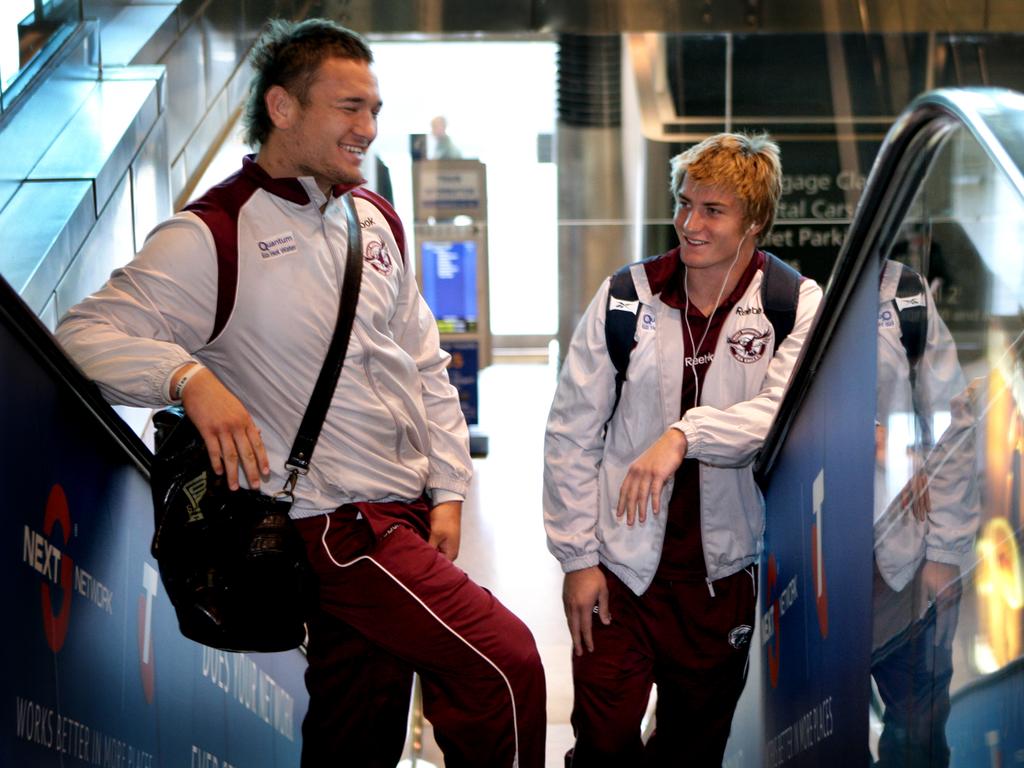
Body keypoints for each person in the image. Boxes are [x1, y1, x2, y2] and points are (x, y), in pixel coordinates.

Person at [55, 18, 545, 768]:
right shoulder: (212, 234)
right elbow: (83, 335)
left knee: (357, 732)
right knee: (504, 665)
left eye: (375, 109)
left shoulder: (374, 219)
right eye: (349, 107)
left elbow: (422, 362)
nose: (369, 128)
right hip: (337, 527)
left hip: (402, 516)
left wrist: (447, 489)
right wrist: (190, 380)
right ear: (282, 108)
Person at [543, 132, 822, 766]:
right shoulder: (627, 296)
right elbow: (571, 432)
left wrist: (683, 435)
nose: (689, 224)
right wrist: (578, 560)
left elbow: (778, 415)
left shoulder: (792, 304)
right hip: (621, 570)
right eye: (684, 203)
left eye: (712, 210)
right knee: (603, 742)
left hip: (719, 578)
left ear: (754, 221)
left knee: (692, 748)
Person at [871, 252, 980, 767]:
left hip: (906, 558)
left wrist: (945, 552)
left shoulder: (903, 295)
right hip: (811, 562)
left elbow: (951, 426)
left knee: (917, 735)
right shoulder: (767, 296)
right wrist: (871, 436)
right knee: (815, 735)